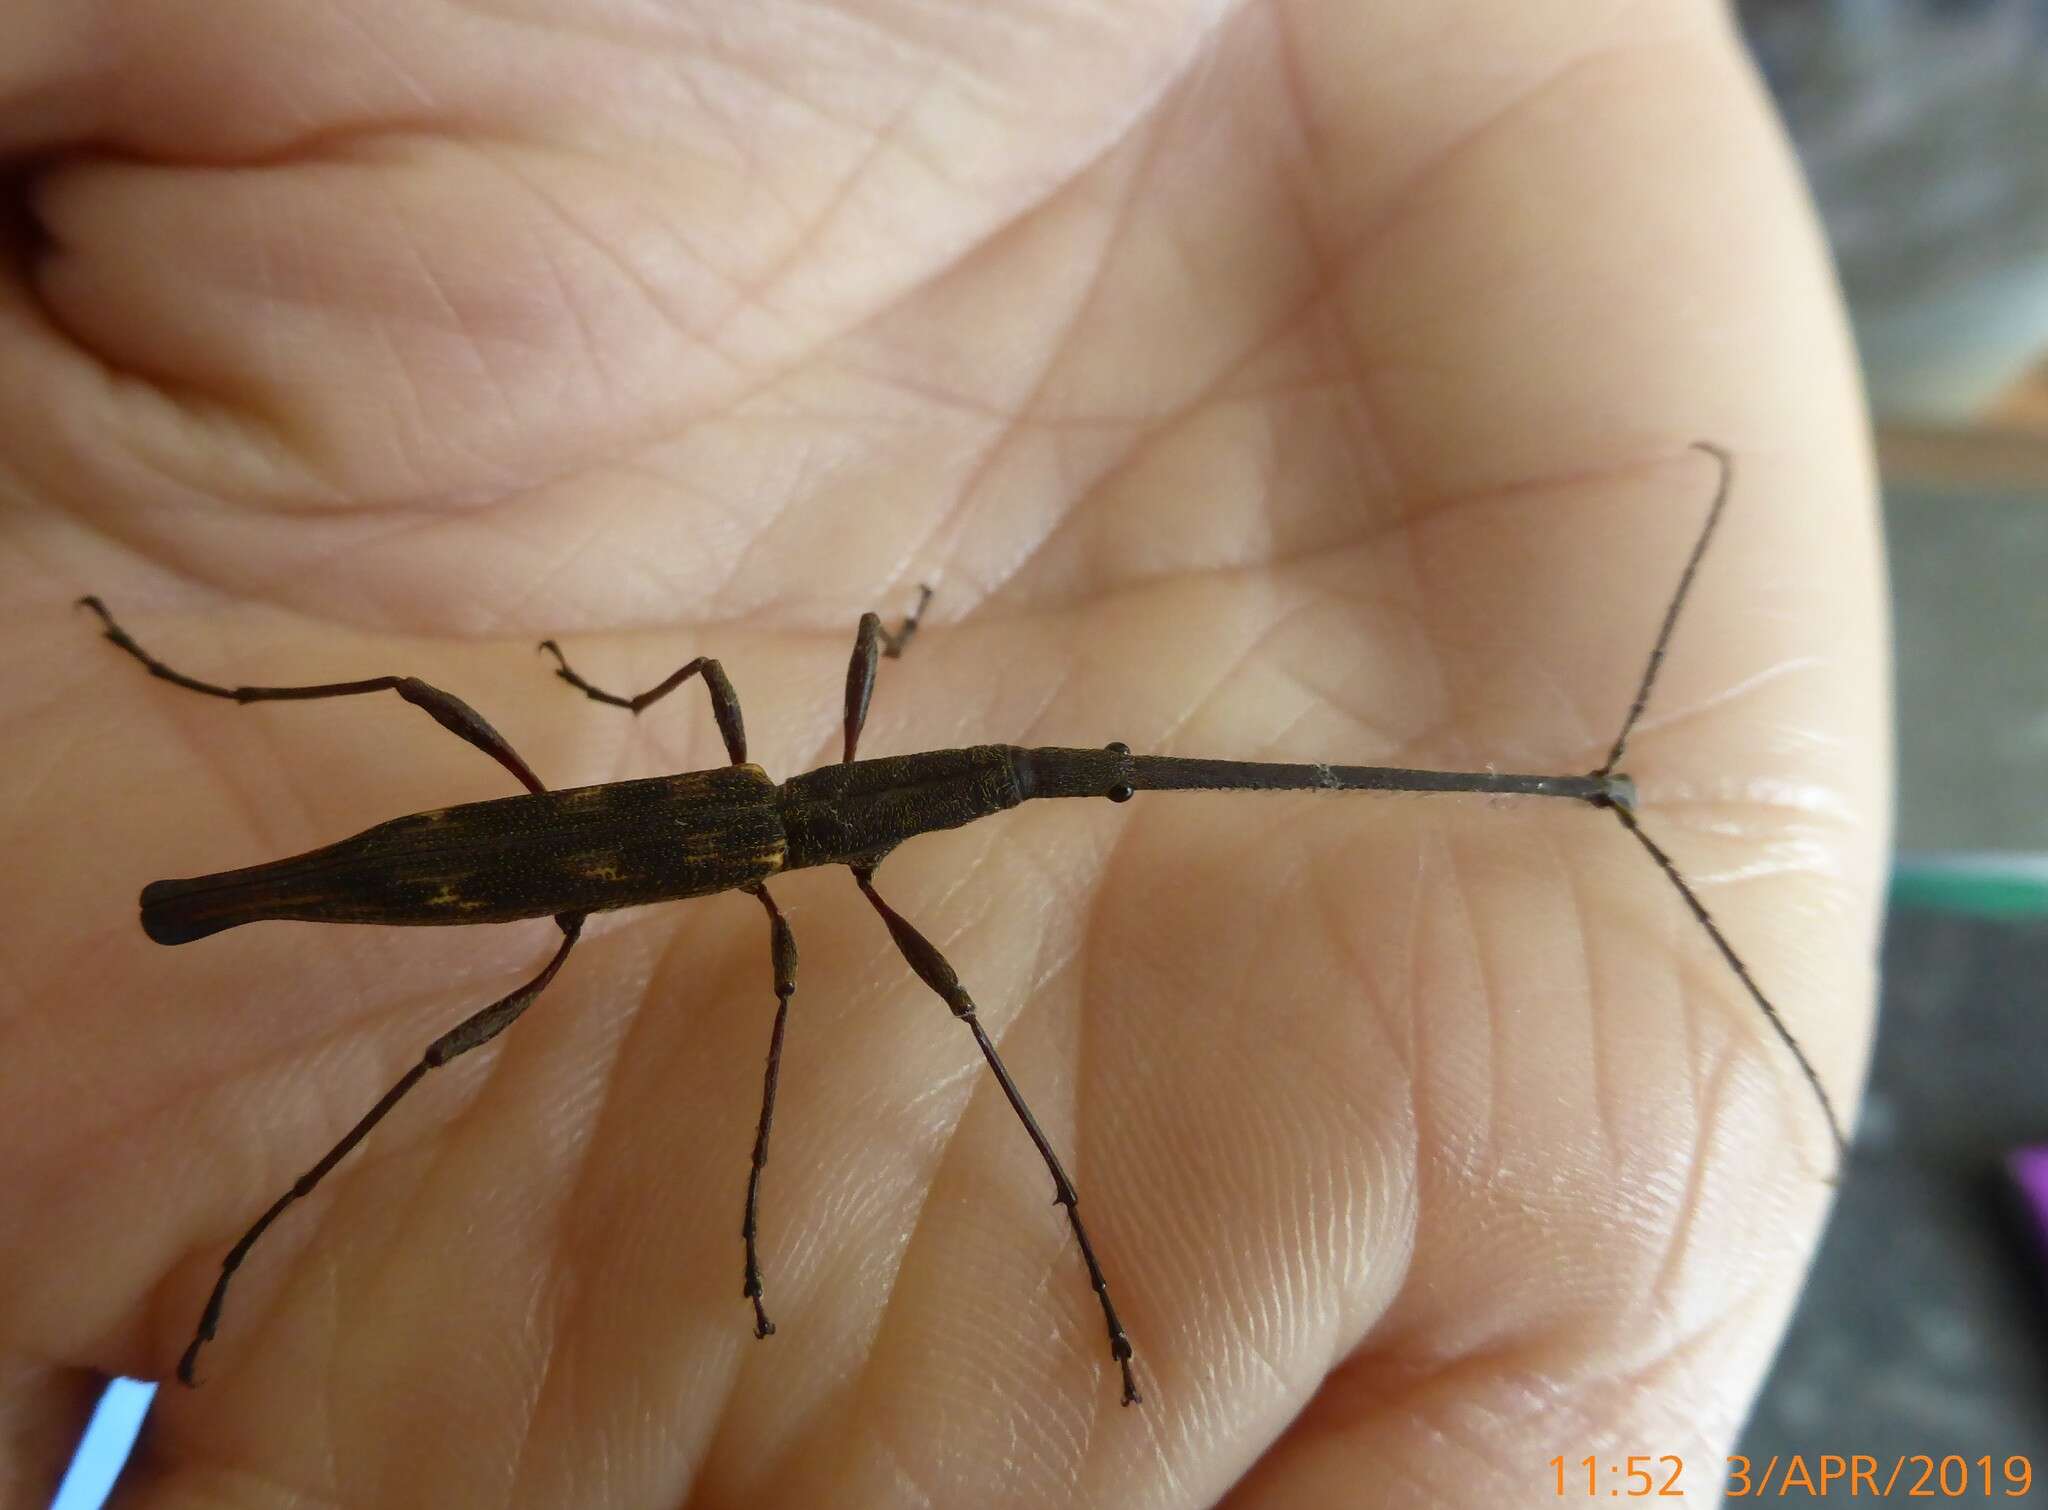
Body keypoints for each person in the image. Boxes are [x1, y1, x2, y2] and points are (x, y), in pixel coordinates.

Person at [2, 1, 1886, 1502]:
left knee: (453, 1010)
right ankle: (258, 1185)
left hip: (582, 845)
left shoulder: (775, 810)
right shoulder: (775, 853)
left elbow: (819, 875)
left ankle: (261, 1207)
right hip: (554, 851)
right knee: (434, 1026)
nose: (1045, 777)